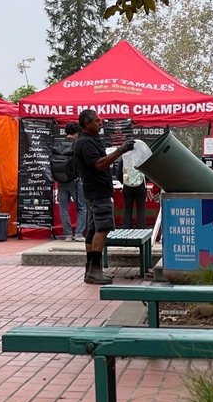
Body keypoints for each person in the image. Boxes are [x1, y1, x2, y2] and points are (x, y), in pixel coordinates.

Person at [73, 109, 135, 285]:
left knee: (93, 229)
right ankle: (95, 269)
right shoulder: (85, 143)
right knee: (102, 228)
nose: (101, 123)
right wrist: (120, 151)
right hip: (97, 191)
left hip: (96, 191)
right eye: (97, 121)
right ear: (86, 123)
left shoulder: (90, 140)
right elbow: (99, 165)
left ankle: (90, 269)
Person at [53, 122, 86, 242]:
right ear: (77, 132)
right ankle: (78, 234)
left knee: (64, 209)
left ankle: (67, 235)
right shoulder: (77, 145)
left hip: (61, 180)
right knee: (82, 208)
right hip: (75, 180)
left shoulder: (59, 144)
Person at [121, 152, 147, 228]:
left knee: (127, 209)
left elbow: (119, 173)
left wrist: (124, 182)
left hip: (127, 187)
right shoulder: (142, 160)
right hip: (140, 187)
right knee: (141, 209)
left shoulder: (124, 159)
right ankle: (141, 230)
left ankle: (127, 230)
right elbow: (147, 173)